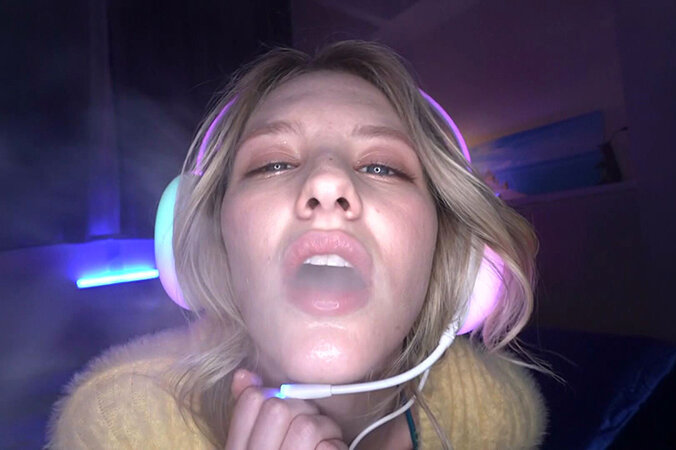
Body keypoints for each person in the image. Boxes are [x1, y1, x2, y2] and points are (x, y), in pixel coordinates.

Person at [47, 40, 546, 449]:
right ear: (214, 239)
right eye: (274, 164)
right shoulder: (119, 427)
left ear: (449, 248)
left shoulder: (496, 413)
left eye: (381, 166)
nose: (327, 182)